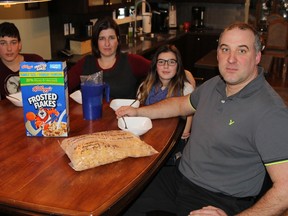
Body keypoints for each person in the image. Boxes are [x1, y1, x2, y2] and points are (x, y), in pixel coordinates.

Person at [116, 22, 288, 216]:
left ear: (257, 56)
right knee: (121, 199)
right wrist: (140, 112)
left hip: (217, 199)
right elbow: (181, 104)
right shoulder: (214, 84)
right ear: (217, 54)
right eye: (225, 49)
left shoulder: (270, 112)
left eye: (242, 50)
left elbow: (285, 190)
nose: (231, 59)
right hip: (178, 179)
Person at [68, 16, 195, 99]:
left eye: (111, 38)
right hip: (91, 121)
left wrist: (189, 80)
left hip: (124, 123)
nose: (107, 44)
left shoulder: (131, 61)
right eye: (102, 38)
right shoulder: (85, 63)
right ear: (95, 42)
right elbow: (61, 85)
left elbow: (162, 68)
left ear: (118, 40)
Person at [137, 44, 193, 163]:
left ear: (178, 66)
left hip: (172, 142)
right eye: (161, 62)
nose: (166, 66)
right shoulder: (144, 87)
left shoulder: (185, 89)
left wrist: (186, 130)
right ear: (155, 66)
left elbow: (189, 113)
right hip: (147, 137)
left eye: (171, 62)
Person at [0, 22, 44, 99]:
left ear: (20, 45)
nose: (9, 48)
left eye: (13, 42)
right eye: (3, 43)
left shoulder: (35, 61)